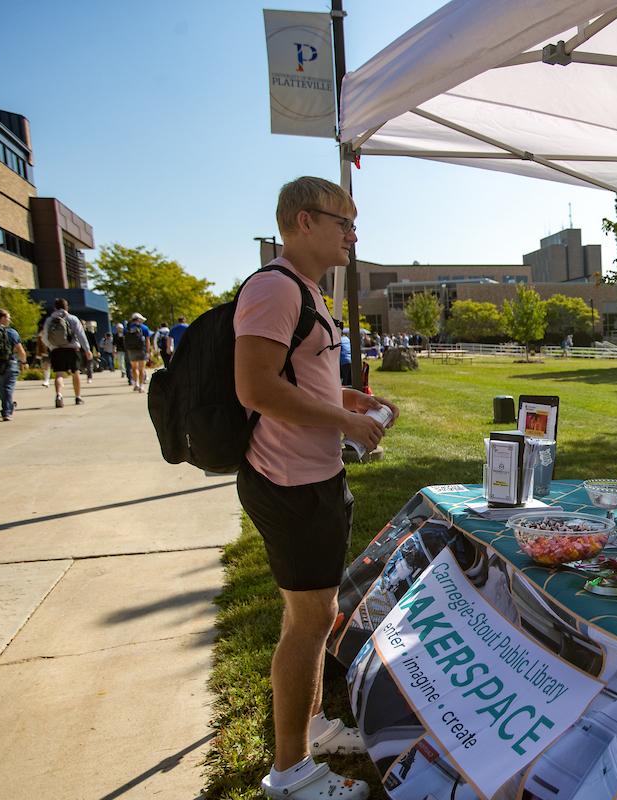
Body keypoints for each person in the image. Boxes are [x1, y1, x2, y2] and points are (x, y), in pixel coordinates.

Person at [234, 176, 398, 800]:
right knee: (310, 622)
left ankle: (308, 727)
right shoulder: (274, 288)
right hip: (292, 482)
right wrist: (346, 421)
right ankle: (289, 772)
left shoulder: (304, 292)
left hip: (312, 477)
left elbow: (293, 377)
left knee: (311, 614)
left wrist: (347, 398)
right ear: (304, 222)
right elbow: (255, 388)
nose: (352, 235)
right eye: (342, 222)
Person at [41, 298, 92, 408]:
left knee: (59, 374)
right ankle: (78, 397)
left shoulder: (49, 320)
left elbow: (44, 336)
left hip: (56, 350)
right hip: (72, 349)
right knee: (75, 373)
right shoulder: (72, 318)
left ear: (55, 307)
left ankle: (59, 395)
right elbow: (81, 335)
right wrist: (87, 350)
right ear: (67, 307)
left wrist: (51, 346)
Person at [0, 308, 27, 421]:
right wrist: (23, 362)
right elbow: (20, 350)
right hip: (10, 363)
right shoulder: (11, 332)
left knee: (1, 388)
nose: (9, 320)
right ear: (3, 318)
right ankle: (7, 411)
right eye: (8, 317)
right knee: (8, 388)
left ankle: (7, 406)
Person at [122, 313, 153, 392]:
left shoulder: (127, 328)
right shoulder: (144, 328)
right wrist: (148, 351)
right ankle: (141, 386)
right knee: (141, 368)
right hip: (141, 349)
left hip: (131, 350)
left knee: (134, 368)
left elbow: (125, 340)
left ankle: (136, 384)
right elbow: (147, 340)